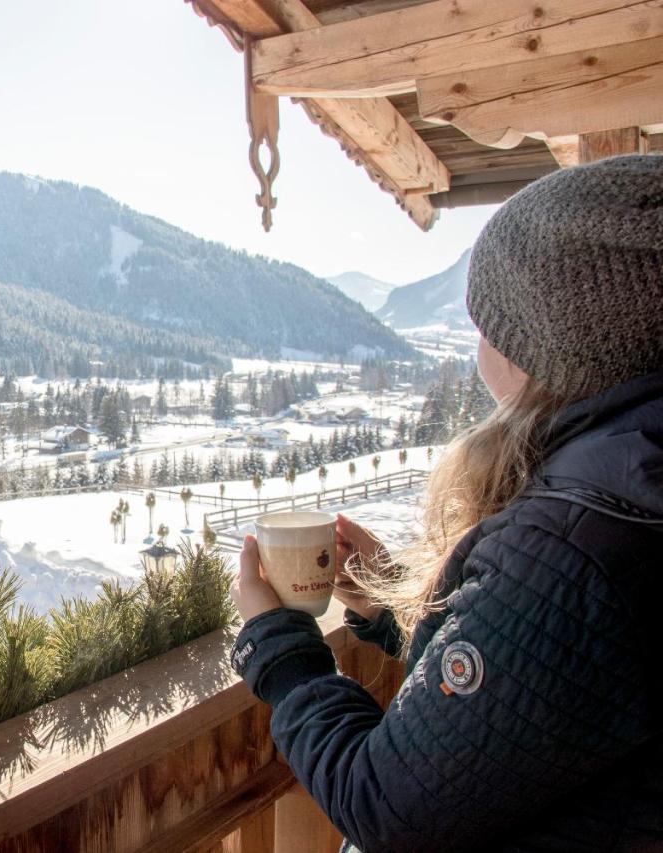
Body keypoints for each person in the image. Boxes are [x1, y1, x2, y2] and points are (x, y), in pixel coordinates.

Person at [229, 154, 663, 852]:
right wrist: (395, 597)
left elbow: (385, 803)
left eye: (489, 319)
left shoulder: (575, 543)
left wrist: (279, 648)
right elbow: (541, 685)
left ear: (547, 342)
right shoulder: (626, 486)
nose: (478, 341)